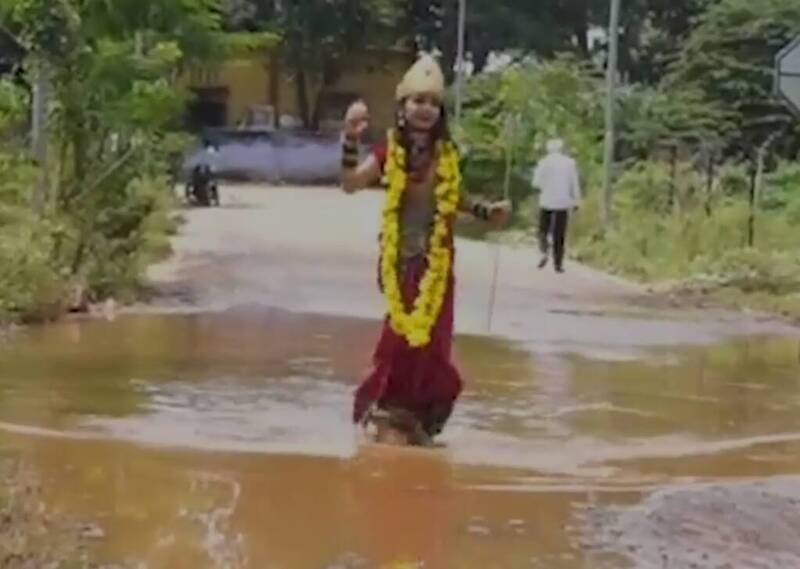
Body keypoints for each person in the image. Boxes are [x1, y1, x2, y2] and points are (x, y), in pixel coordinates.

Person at [340, 54, 511, 446]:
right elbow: (350, 183)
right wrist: (350, 138)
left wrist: (487, 211)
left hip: (439, 262)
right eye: (418, 101)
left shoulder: (447, 157)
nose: (426, 110)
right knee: (399, 339)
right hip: (401, 262)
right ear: (402, 107)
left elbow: (454, 200)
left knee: (436, 342)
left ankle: (417, 416)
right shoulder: (388, 155)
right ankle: (386, 410)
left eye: (433, 103)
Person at [532, 138, 582, 273]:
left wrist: (545, 187)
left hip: (546, 201)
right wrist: (576, 201)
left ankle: (543, 251)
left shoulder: (543, 162)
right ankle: (558, 264)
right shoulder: (570, 163)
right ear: (562, 149)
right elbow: (574, 183)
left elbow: (536, 183)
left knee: (543, 230)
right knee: (559, 234)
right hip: (563, 203)